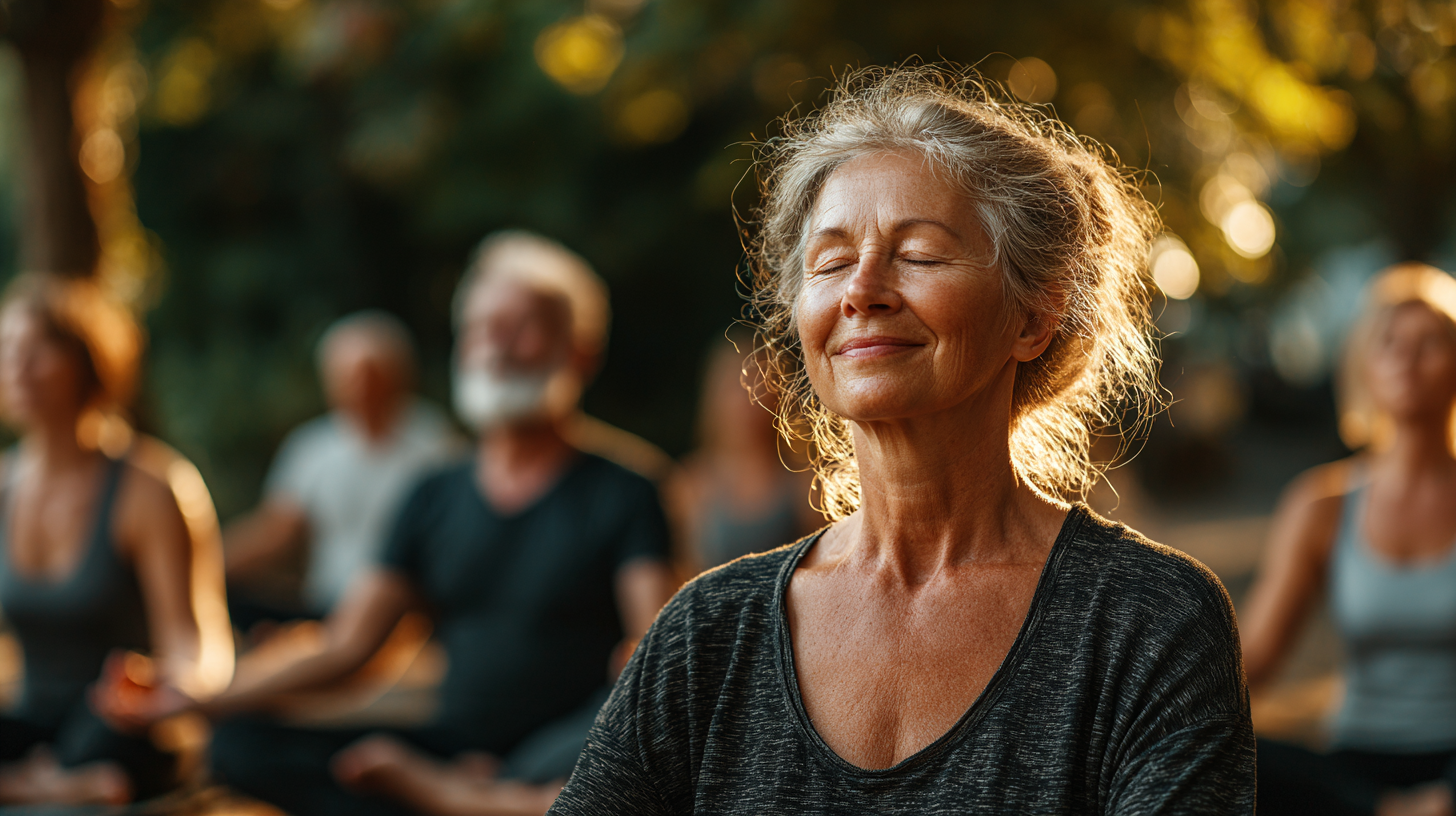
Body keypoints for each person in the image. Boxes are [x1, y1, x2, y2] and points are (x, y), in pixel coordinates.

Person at [548, 65, 1254, 815]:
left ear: (1032, 319)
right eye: (831, 262)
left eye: (918, 255)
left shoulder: (1149, 618)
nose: (862, 290)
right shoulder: (706, 633)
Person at [111, 230, 677, 816]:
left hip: (570, 746)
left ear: (579, 349)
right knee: (239, 746)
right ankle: (474, 798)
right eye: (482, 328)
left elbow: (655, 652)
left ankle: (481, 796)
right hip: (454, 747)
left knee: (629, 729)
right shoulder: (433, 494)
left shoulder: (629, 490)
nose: (496, 346)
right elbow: (348, 644)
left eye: (521, 326)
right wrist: (201, 698)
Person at [0, 273, 233, 804]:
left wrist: (165, 686)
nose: (18, 367)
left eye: (39, 350)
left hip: (121, 729)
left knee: (106, 737)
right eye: (7, 349)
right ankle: (55, 786)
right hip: (38, 723)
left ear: (88, 362)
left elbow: (197, 643)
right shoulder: (3, 486)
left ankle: (47, 784)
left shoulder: (151, 486)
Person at [1242, 263, 1456, 816]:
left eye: (1430, 342)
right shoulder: (1322, 506)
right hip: (1354, 776)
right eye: (1389, 342)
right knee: (1229, 752)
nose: (1407, 358)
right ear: (1365, 364)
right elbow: (1255, 660)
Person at [223, 310, 461, 627]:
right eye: (346, 376)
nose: (359, 387)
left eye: (370, 375)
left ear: (398, 376)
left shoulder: (435, 444)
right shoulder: (311, 448)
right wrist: (204, 567)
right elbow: (275, 532)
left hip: (409, 615)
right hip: (326, 608)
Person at [667, 331, 821, 574]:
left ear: (779, 396)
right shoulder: (689, 484)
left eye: (760, 386)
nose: (747, 400)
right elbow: (680, 577)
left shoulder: (805, 482)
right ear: (714, 396)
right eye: (735, 387)